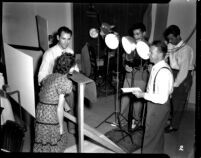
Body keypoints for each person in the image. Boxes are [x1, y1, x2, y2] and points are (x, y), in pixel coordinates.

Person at [132, 40, 174, 153]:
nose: (148, 54)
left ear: (160, 54)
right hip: (153, 104)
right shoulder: (157, 67)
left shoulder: (163, 72)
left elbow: (162, 98)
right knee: (156, 135)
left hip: (158, 107)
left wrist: (142, 95)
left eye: (151, 52)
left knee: (150, 136)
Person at [38, 26, 79, 134]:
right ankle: (56, 129)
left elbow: (75, 70)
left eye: (68, 39)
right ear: (57, 37)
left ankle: (71, 126)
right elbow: (41, 76)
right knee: (56, 111)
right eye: (63, 38)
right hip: (53, 88)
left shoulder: (70, 51)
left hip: (67, 84)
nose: (66, 42)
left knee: (73, 103)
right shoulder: (49, 53)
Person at [33, 53, 75, 152]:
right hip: (50, 114)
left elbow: (50, 93)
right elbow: (59, 108)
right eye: (73, 66)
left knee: (43, 139)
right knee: (56, 139)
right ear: (69, 68)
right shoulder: (65, 82)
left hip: (40, 111)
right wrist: (60, 127)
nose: (74, 68)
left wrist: (66, 105)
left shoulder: (49, 77)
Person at [163, 25, 194, 133]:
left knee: (178, 102)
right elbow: (166, 57)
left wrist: (174, 85)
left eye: (172, 38)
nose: (170, 41)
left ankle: (174, 126)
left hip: (184, 77)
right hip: (173, 72)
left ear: (178, 36)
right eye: (168, 39)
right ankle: (171, 119)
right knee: (170, 100)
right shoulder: (171, 45)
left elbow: (184, 71)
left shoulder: (187, 50)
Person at [120, 23, 149, 130]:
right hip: (129, 75)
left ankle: (136, 121)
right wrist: (125, 66)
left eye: (138, 34)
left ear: (144, 33)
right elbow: (124, 59)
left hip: (141, 77)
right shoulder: (130, 45)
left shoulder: (149, 47)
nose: (136, 37)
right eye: (134, 34)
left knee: (137, 101)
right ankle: (122, 120)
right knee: (125, 99)